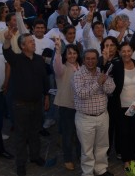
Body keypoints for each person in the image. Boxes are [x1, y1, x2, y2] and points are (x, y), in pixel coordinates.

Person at [3, 32, 50, 176]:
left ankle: (35, 156)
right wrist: (7, 39)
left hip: (37, 103)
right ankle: (21, 164)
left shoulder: (39, 60)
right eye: (30, 42)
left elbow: (44, 79)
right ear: (23, 46)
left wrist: (46, 96)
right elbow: (6, 51)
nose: (33, 43)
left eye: (33, 41)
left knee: (35, 132)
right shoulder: (16, 60)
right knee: (21, 135)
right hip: (20, 105)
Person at [72, 49, 115, 176]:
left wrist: (105, 79)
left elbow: (111, 89)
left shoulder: (101, 72)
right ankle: (88, 172)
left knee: (102, 146)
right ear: (83, 60)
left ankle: (101, 169)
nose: (90, 61)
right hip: (85, 118)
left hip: (102, 116)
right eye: (88, 59)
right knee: (87, 149)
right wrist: (98, 83)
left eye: (93, 59)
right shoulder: (77, 75)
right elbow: (82, 94)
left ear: (97, 60)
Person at [53, 39, 81, 171]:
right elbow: (57, 65)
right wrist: (58, 51)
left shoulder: (81, 67)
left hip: (81, 107)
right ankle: (68, 159)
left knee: (80, 134)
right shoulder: (62, 68)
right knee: (68, 135)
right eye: (69, 53)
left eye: (74, 53)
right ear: (65, 55)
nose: (72, 56)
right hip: (66, 107)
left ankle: (81, 156)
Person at [117, 41, 135, 170]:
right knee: (124, 134)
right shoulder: (116, 66)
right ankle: (126, 160)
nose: (126, 53)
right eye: (124, 51)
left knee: (133, 134)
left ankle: (132, 158)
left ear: (132, 52)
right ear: (119, 52)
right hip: (121, 107)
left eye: (129, 51)